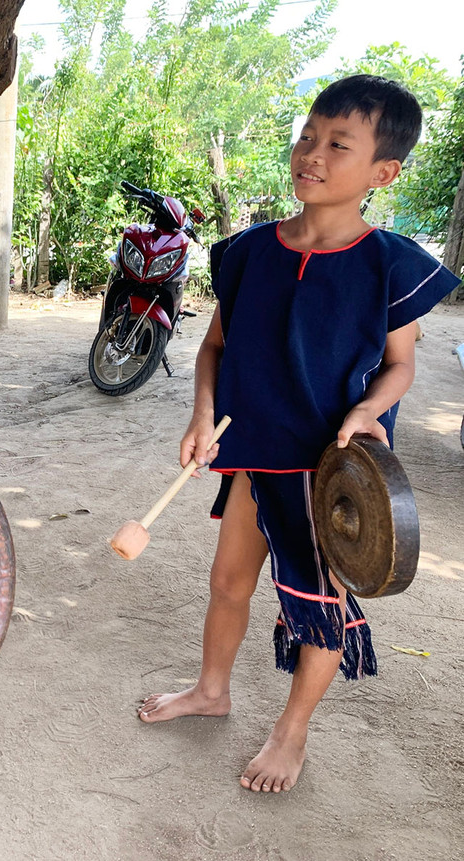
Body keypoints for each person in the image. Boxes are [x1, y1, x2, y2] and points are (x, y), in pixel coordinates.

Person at [137, 75, 460, 794]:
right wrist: (200, 412)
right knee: (227, 582)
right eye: (307, 135)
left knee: (317, 608)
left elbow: (400, 365)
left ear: (384, 171)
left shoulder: (391, 264)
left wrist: (368, 409)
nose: (311, 152)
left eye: (337, 143)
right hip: (254, 452)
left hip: (333, 470)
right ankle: (211, 689)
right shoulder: (248, 251)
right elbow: (214, 348)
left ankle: (292, 731)